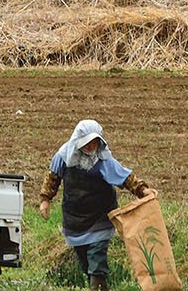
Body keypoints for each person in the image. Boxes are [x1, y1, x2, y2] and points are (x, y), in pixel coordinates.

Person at [37, 119, 154, 291]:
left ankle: (98, 286)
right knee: (85, 262)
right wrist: (45, 200)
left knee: (96, 259)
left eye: (95, 142)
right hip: (74, 219)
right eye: (87, 142)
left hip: (100, 218)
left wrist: (143, 190)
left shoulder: (103, 160)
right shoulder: (63, 156)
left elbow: (125, 177)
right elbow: (52, 178)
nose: (91, 146)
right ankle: (97, 284)